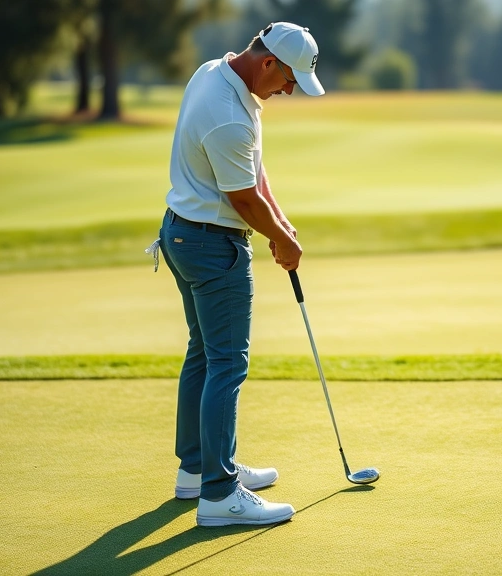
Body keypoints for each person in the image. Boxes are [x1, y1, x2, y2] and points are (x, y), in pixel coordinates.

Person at [156, 22, 324, 527]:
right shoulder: (229, 115)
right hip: (213, 245)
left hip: (182, 233)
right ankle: (220, 493)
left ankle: (198, 470)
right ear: (269, 62)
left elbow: (252, 171)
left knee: (204, 355)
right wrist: (279, 238)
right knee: (228, 364)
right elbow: (242, 197)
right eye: (291, 78)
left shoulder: (218, 73)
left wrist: (281, 221)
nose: (291, 89)